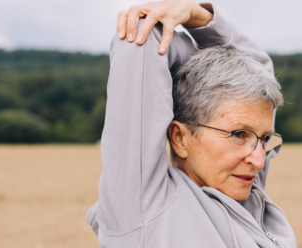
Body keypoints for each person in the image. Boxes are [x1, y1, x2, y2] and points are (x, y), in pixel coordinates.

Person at [86, 1, 297, 247]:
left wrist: (201, 17)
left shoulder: (245, 191)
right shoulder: (143, 205)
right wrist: (196, 54)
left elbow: (257, 69)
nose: (259, 161)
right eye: (239, 134)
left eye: (264, 139)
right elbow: (142, 38)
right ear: (179, 138)